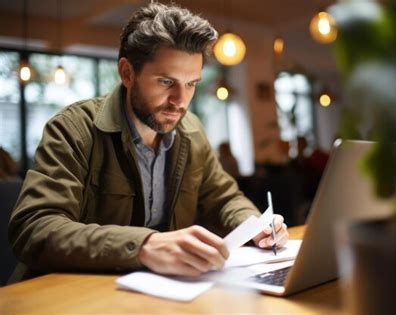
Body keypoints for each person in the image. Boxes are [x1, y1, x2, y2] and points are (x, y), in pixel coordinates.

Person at [8, 3, 288, 282]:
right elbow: (34, 228)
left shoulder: (192, 132)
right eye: (167, 82)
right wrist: (144, 246)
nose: (181, 101)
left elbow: (224, 198)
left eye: (191, 83)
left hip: (157, 293)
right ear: (127, 73)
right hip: (67, 295)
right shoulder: (73, 129)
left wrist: (255, 226)